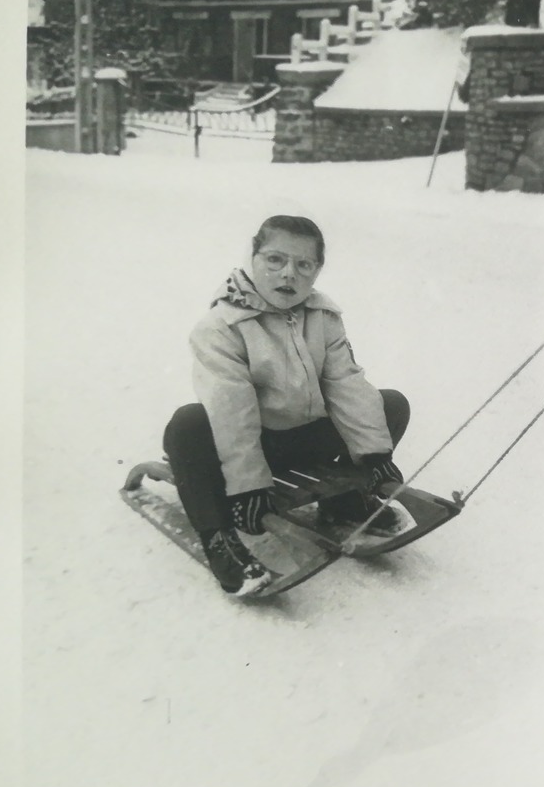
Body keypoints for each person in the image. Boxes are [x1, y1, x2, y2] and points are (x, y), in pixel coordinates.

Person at [163, 214, 410, 597]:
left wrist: (375, 455)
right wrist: (248, 487)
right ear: (254, 256)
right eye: (275, 260)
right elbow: (232, 411)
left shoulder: (323, 318)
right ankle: (219, 538)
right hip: (249, 446)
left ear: (316, 271)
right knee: (188, 425)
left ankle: (344, 501)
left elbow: (345, 384)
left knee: (390, 404)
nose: (287, 275)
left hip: (302, 438)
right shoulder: (220, 327)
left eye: (303, 265)